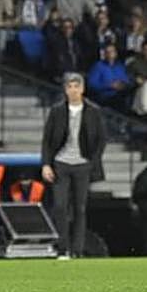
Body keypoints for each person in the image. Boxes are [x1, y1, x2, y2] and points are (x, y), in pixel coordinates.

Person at [40, 73, 107, 258]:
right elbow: (47, 140)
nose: (73, 90)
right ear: (65, 89)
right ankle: (62, 248)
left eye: (76, 86)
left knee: (80, 208)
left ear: (82, 88)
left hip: (82, 165)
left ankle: (77, 250)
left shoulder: (93, 111)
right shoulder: (57, 111)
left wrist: (93, 162)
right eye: (70, 87)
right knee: (60, 206)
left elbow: (101, 139)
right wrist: (46, 164)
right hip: (61, 163)